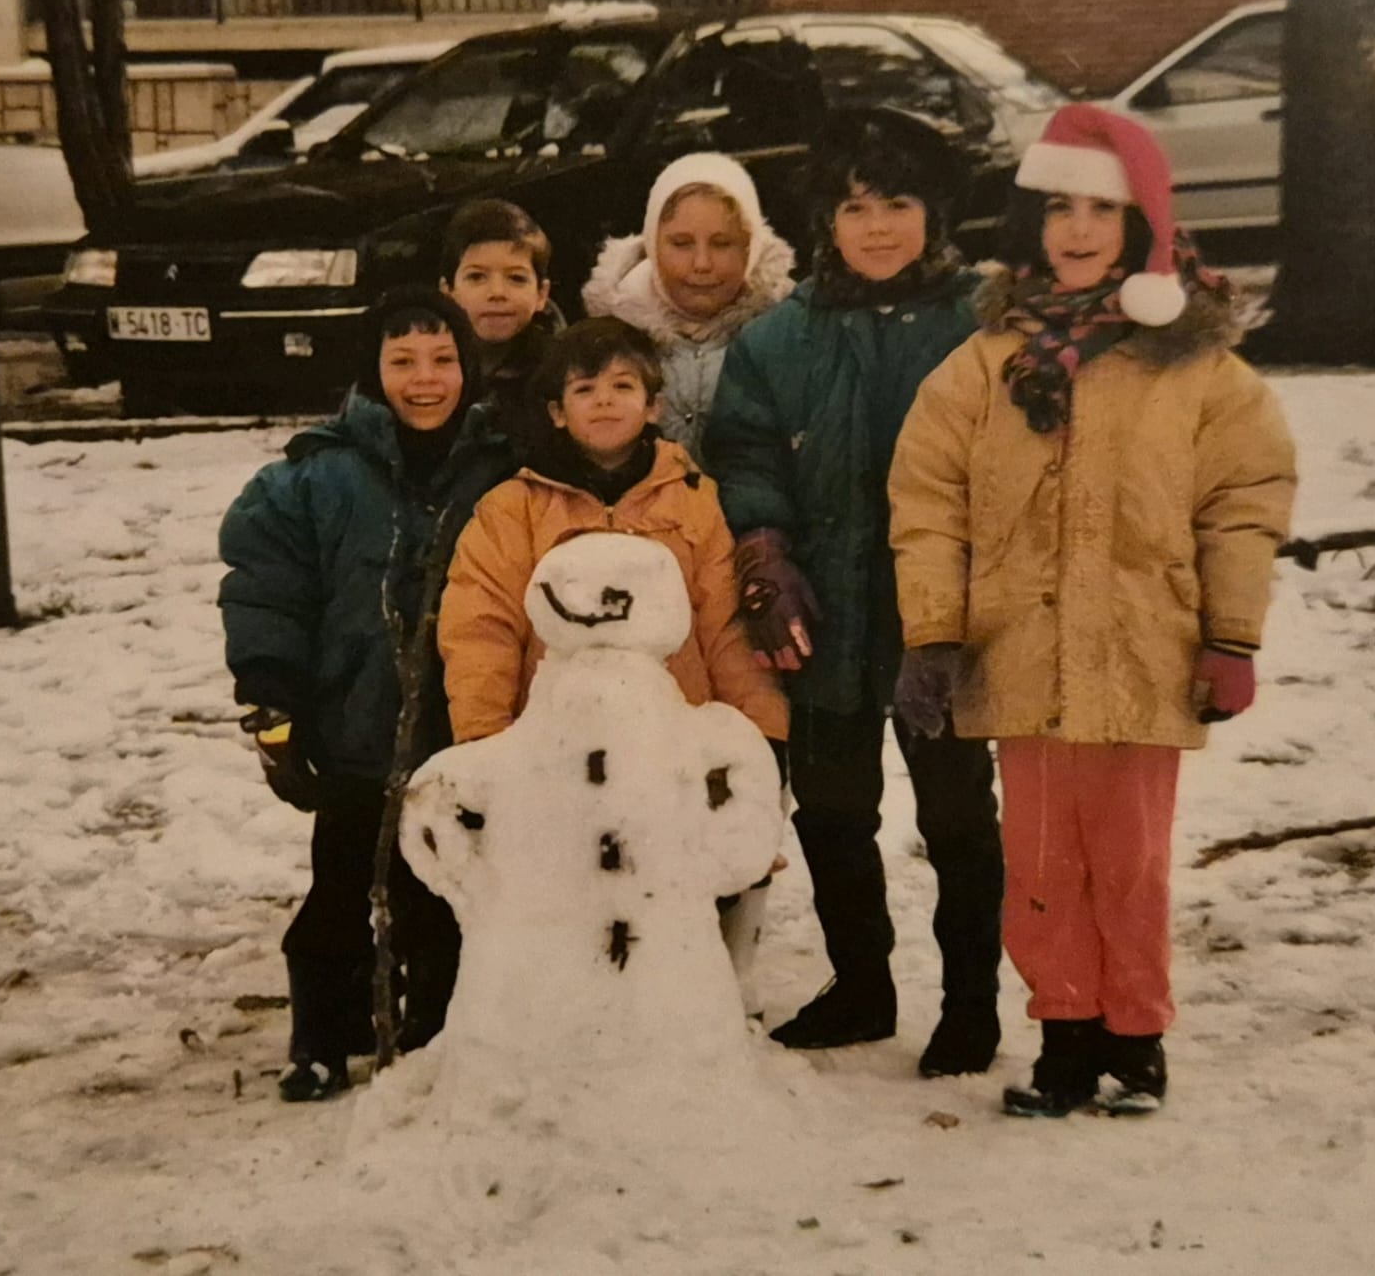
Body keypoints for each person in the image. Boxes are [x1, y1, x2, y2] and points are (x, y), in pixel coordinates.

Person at [887, 103, 1297, 1116]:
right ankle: (1064, 1034)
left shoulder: (1199, 370)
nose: (1073, 230)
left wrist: (1229, 635)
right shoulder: (983, 365)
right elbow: (926, 499)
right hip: (1018, 660)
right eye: (1056, 209)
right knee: (1037, 862)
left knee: (1127, 859)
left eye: (1099, 212)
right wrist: (935, 631)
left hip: (1140, 657)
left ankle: (1135, 1036)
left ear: (1140, 229)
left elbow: (1242, 503)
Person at [702, 110, 1005, 1076]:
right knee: (833, 809)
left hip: (944, 618)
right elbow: (745, 450)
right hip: (824, 612)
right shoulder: (778, 340)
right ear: (824, 222)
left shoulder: (982, 327)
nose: (878, 228)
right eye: (855, 206)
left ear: (939, 213)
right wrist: (764, 555)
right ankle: (862, 985)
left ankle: (972, 1005)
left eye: (900, 204)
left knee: (958, 813)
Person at [218, 287, 517, 1103]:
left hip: (464, 732)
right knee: (342, 887)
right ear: (371, 371)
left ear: (470, 368)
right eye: (403, 362)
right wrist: (274, 694)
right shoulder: (317, 477)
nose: (426, 380)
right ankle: (323, 1032)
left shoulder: (502, 468)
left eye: (444, 361)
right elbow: (267, 588)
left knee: (441, 894)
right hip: (352, 724)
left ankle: (430, 1031)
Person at [437, 317, 790, 1007]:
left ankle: (699, 1009)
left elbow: (722, 625)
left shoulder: (695, 501)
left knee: (672, 881)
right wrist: (484, 744)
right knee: (569, 883)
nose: (605, 401)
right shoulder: (512, 510)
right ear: (556, 412)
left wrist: (759, 739)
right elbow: (482, 629)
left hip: (666, 743)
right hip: (554, 748)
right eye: (585, 388)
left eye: (623, 385)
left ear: (654, 405)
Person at [580, 152, 797, 463]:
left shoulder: (785, 332)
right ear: (653, 244)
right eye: (681, 244)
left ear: (751, 247)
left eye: (722, 243)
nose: (701, 264)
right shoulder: (611, 333)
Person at [439, 198, 561, 456]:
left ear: (542, 293)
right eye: (476, 277)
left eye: (516, 278)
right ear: (448, 292)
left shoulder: (562, 374)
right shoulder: (422, 367)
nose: (497, 293)